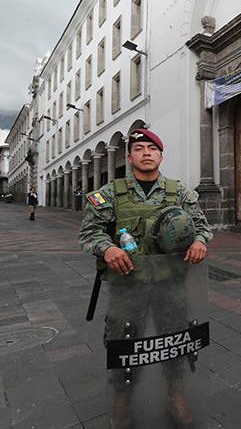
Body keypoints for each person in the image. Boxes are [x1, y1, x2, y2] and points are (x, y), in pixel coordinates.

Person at [79, 128, 213, 428]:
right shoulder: (111, 193)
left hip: (171, 282)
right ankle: (121, 404)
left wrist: (200, 241)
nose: (147, 153)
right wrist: (108, 248)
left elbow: (202, 226)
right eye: (140, 148)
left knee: (175, 339)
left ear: (161, 156)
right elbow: (89, 232)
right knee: (124, 344)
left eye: (152, 149)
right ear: (130, 157)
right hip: (128, 285)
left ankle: (175, 397)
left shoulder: (179, 192)